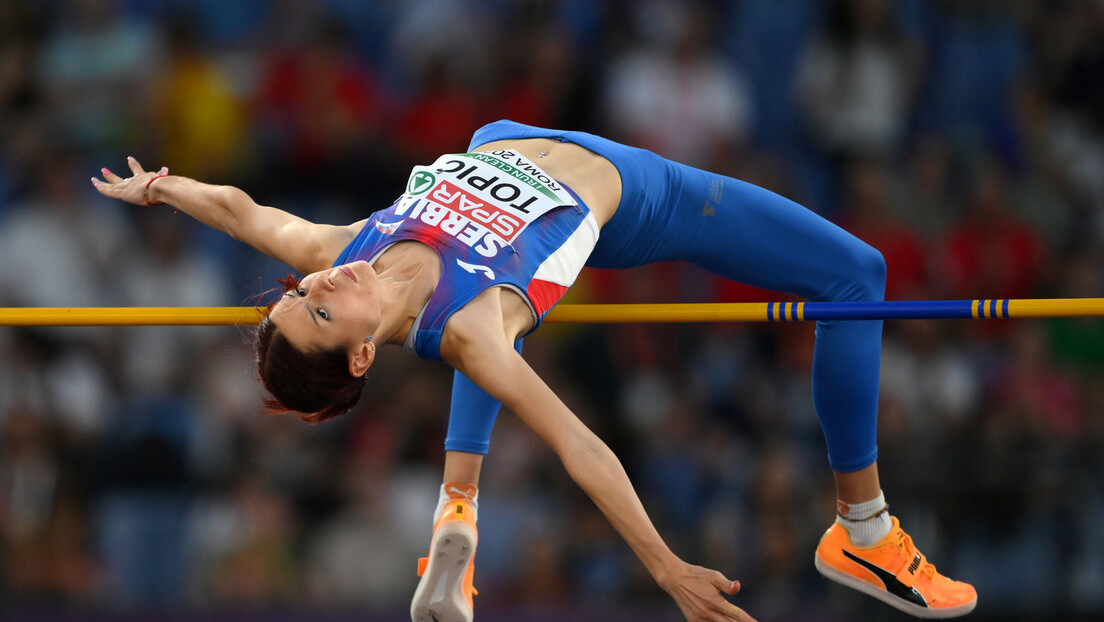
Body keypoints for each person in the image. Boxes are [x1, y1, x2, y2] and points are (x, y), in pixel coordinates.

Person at [92, 120, 978, 622]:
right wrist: (667, 568)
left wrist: (162, 190)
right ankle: (862, 532)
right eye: (321, 310)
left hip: (512, 137)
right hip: (641, 195)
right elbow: (583, 449)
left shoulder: (344, 246)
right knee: (855, 275)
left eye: (301, 292)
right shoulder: (471, 327)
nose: (321, 281)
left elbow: (244, 209)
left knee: (486, 140)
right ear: (363, 354)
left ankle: (458, 509)